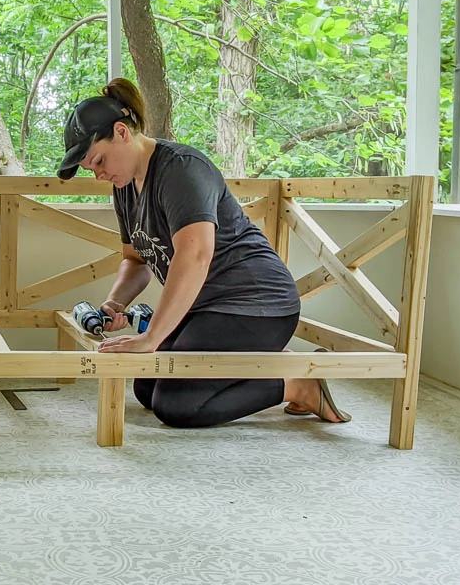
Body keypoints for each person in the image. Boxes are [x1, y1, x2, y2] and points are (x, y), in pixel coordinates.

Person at [56, 78, 351, 428]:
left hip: (257, 305)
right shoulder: (124, 188)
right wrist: (114, 304)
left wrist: (152, 337)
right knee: (147, 387)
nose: (99, 174)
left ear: (121, 132)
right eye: (92, 169)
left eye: (99, 161)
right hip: (208, 309)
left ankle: (298, 384)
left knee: (178, 406)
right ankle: (268, 362)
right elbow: (136, 259)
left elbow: (195, 256)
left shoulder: (180, 168)